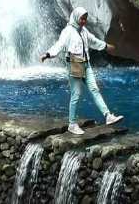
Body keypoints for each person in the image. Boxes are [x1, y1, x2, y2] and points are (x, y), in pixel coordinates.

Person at [41, 7, 124, 135]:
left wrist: (106, 46)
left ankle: (108, 116)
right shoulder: (68, 31)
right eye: (82, 18)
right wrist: (48, 54)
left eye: (85, 18)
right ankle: (72, 124)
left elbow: (93, 41)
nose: (84, 21)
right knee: (76, 94)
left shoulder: (83, 31)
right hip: (74, 64)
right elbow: (59, 44)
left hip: (86, 64)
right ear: (75, 17)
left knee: (95, 89)